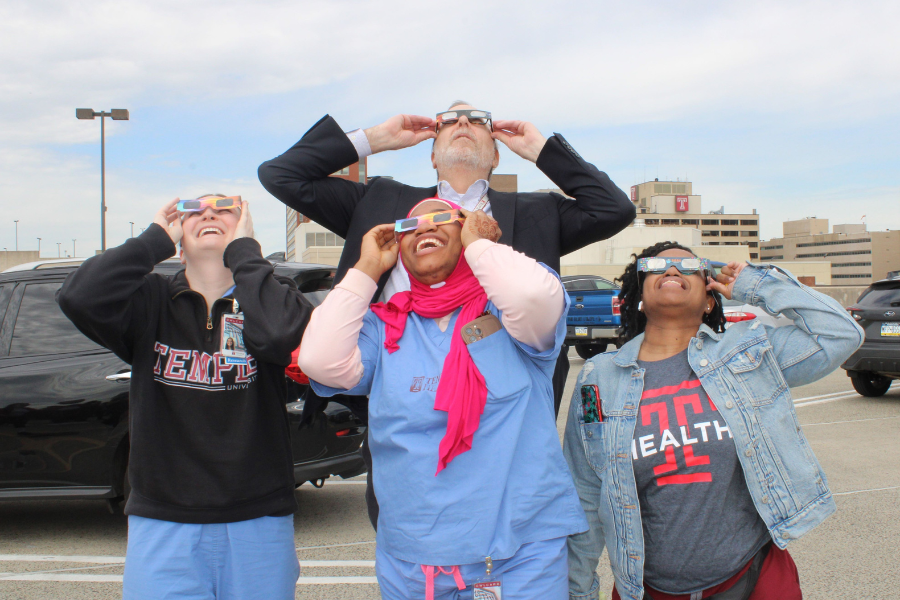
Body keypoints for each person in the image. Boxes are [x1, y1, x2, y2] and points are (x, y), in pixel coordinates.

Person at [259, 101, 635, 526]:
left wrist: (541, 150)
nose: (462, 122)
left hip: (507, 415)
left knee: (518, 542)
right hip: (400, 407)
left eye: (478, 120)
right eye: (449, 120)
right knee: (409, 543)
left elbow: (615, 209)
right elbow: (280, 175)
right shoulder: (382, 201)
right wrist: (376, 140)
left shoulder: (537, 211)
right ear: (432, 153)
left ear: (496, 154)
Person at [298, 199, 587, 599]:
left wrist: (479, 245)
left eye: (441, 218)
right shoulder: (385, 326)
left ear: (468, 228)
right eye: (411, 224)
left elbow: (532, 297)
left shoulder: (510, 316)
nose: (423, 228)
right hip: (411, 565)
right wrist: (366, 269)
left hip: (519, 557)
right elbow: (320, 361)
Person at [563, 242, 864, 600]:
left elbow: (841, 334)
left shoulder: (748, 352)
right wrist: (578, 592)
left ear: (709, 299)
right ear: (639, 295)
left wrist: (754, 284)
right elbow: (583, 494)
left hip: (754, 576)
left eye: (688, 267)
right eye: (658, 265)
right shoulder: (599, 378)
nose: (672, 270)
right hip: (648, 589)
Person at [58, 195, 312, 600]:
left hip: (258, 519)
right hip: (162, 521)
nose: (209, 213)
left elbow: (284, 335)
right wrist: (153, 239)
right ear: (178, 240)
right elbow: (78, 296)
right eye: (195, 209)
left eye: (226, 208)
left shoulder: (270, 296)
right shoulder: (149, 300)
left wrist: (246, 254)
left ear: (244, 228)